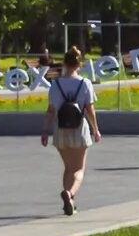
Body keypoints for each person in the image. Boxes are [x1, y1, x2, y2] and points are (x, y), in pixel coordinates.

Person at [41, 49, 99, 216]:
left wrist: (45, 131)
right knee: (78, 170)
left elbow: (51, 110)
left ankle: (70, 203)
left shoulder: (56, 84)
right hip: (79, 129)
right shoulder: (85, 83)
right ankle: (70, 193)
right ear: (79, 64)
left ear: (64, 64)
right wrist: (96, 130)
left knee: (68, 168)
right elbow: (90, 109)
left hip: (60, 129)